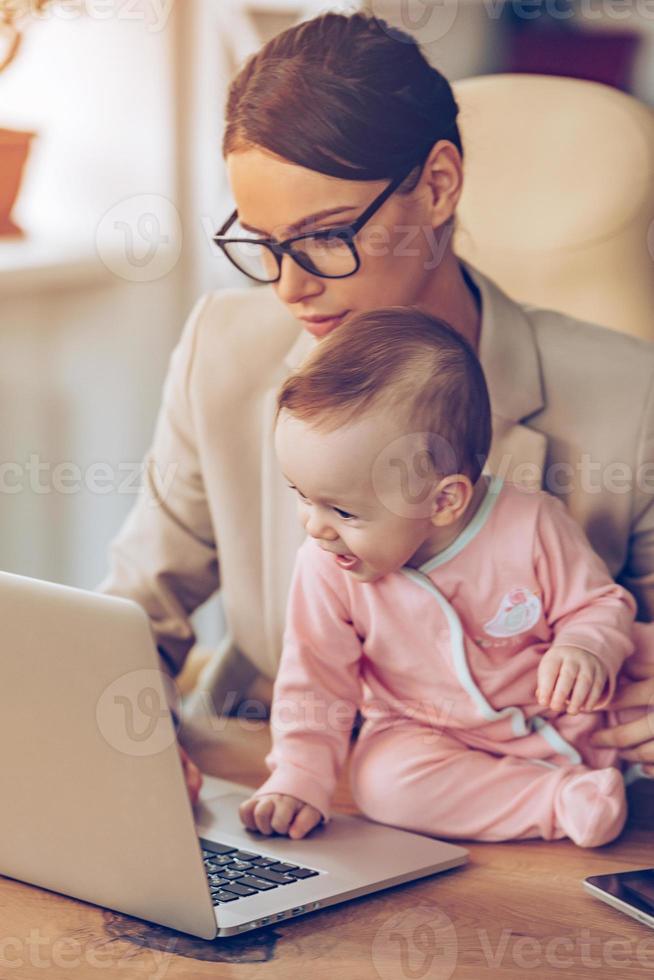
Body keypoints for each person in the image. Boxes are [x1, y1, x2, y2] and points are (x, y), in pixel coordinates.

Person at [99, 12, 654, 805]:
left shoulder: (631, 397)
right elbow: (132, 619)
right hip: (266, 778)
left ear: (437, 186)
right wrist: (126, 740)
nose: (290, 287)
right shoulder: (220, 350)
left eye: (326, 237)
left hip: (523, 802)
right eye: (263, 243)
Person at [238, 308, 653, 847]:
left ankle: (608, 771)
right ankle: (559, 800)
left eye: (344, 512)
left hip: (575, 718)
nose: (315, 528)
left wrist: (584, 647)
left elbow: (600, 604)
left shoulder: (531, 525)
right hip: (427, 731)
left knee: (638, 668)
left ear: (443, 500)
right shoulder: (325, 567)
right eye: (301, 495)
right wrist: (298, 777)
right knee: (381, 785)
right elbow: (314, 679)